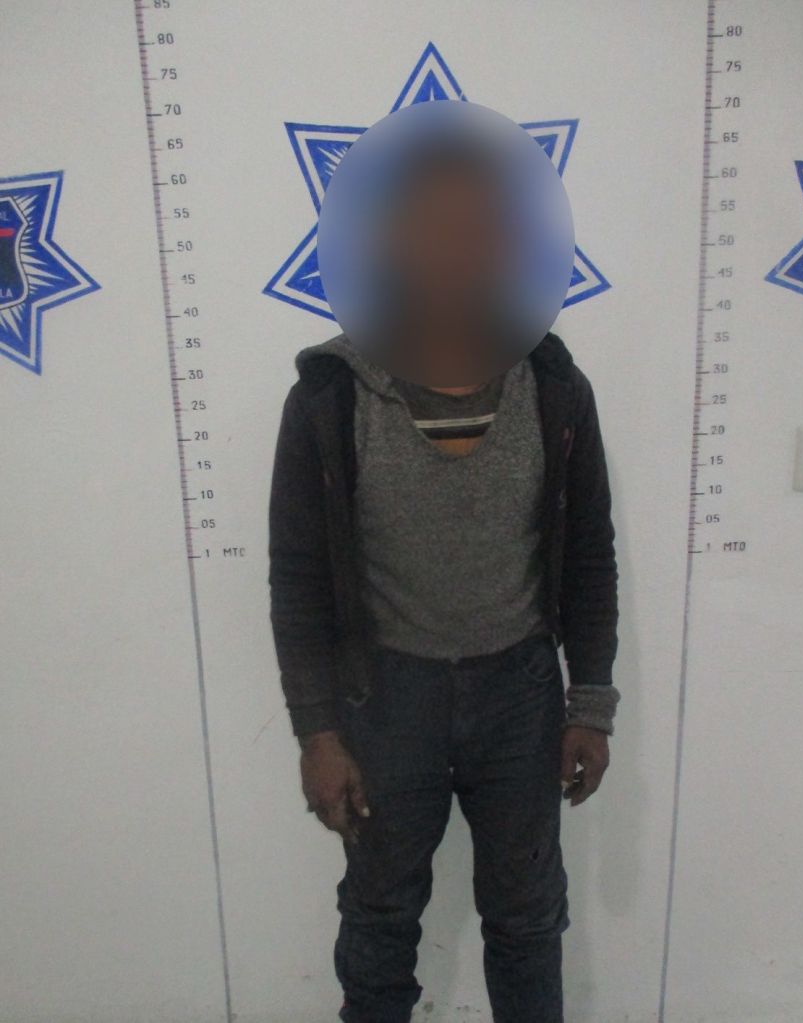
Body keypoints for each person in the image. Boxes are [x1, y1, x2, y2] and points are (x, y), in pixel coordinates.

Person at [268, 139, 620, 1023]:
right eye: (432, 226)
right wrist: (318, 733)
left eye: (477, 227)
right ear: (389, 240)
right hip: (387, 698)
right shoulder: (331, 396)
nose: (454, 248)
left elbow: (589, 557)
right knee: (381, 916)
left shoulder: (552, 384)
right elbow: (298, 579)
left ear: (509, 242)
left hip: (520, 694)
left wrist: (590, 702)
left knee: (528, 919)